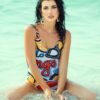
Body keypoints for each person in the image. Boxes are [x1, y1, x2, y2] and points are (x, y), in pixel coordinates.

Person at [6, 0, 96, 100]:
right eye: (46, 8)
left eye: (54, 7)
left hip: (60, 83)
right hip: (35, 84)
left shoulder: (66, 35)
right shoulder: (31, 30)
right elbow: (31, 64)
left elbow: (63, 66)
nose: (50, 12)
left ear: (59, 9)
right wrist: (46, 89)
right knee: (11, 97)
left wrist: (59, 92)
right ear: (41, 11)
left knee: (91, 97)